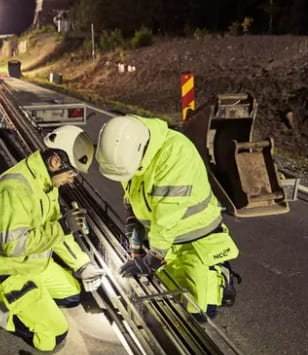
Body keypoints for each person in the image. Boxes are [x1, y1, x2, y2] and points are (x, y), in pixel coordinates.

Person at [0, 125, 105, 351]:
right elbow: (13, 246)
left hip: (33, 264)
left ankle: (32, 300)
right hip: (6, 269)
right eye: (72, 173)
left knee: (72, 294)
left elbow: (57, 233)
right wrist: (61, 227)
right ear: (55, 162)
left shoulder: (47, 184)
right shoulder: (14, 188)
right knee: (52, 336)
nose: (71, 180)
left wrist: (82, 266)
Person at [95, 115, 240, 319]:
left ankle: (218, 281)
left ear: (140, 151)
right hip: (164, 240)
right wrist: (133, 226)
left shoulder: (175, 154)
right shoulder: (128, 151)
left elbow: (167, 218)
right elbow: (132, 191)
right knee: (171, 297)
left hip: (196, 241)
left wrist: (153, 257)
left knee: (200, 310)